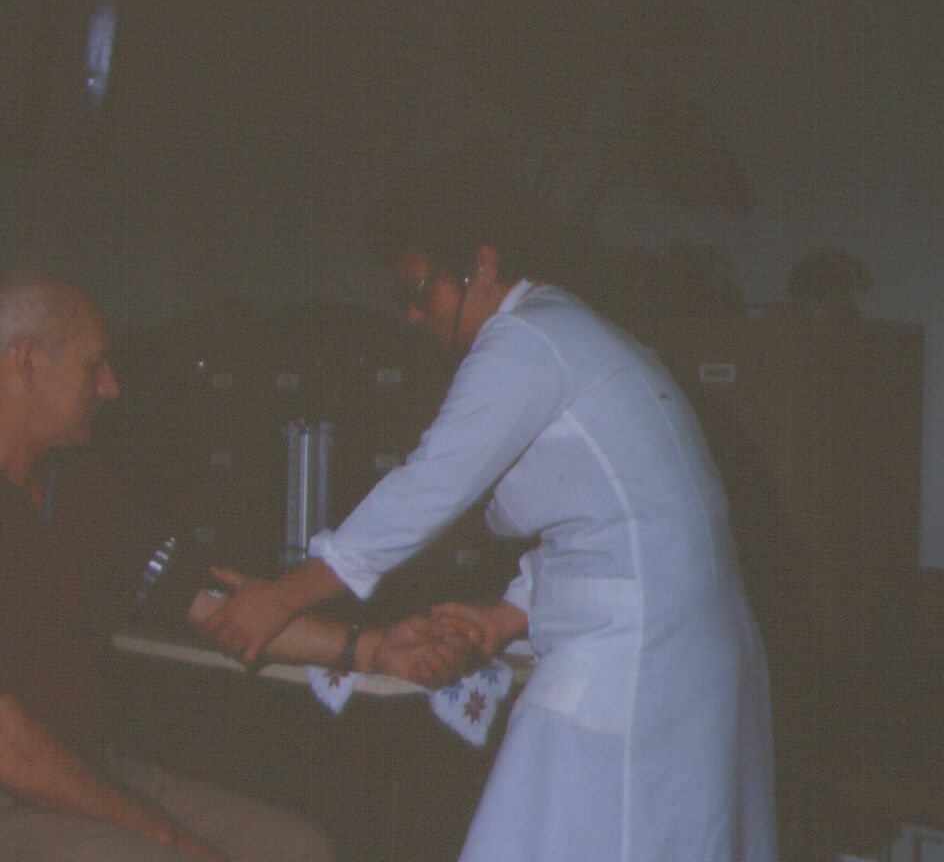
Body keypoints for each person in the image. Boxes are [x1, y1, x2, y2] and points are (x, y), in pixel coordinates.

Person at [199, 164, 779, 862]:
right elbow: (613, 515)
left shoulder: (526, 340)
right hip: (683, 642)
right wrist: (509, 614)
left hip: (638, 656)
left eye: (420, 291)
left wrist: (282, 598)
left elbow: (427, 487)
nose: (413, 315)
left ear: (481, 263)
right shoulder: (568, 328)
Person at [0, 267, 469, 862]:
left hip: (87, 768)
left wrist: (371, 649)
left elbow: (210, 605)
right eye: (93, 366)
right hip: (18, 792)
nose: (111, 387)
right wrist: (171, 836)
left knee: (298, 848)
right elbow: (12, 751)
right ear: (27, 362)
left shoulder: (74, 489)